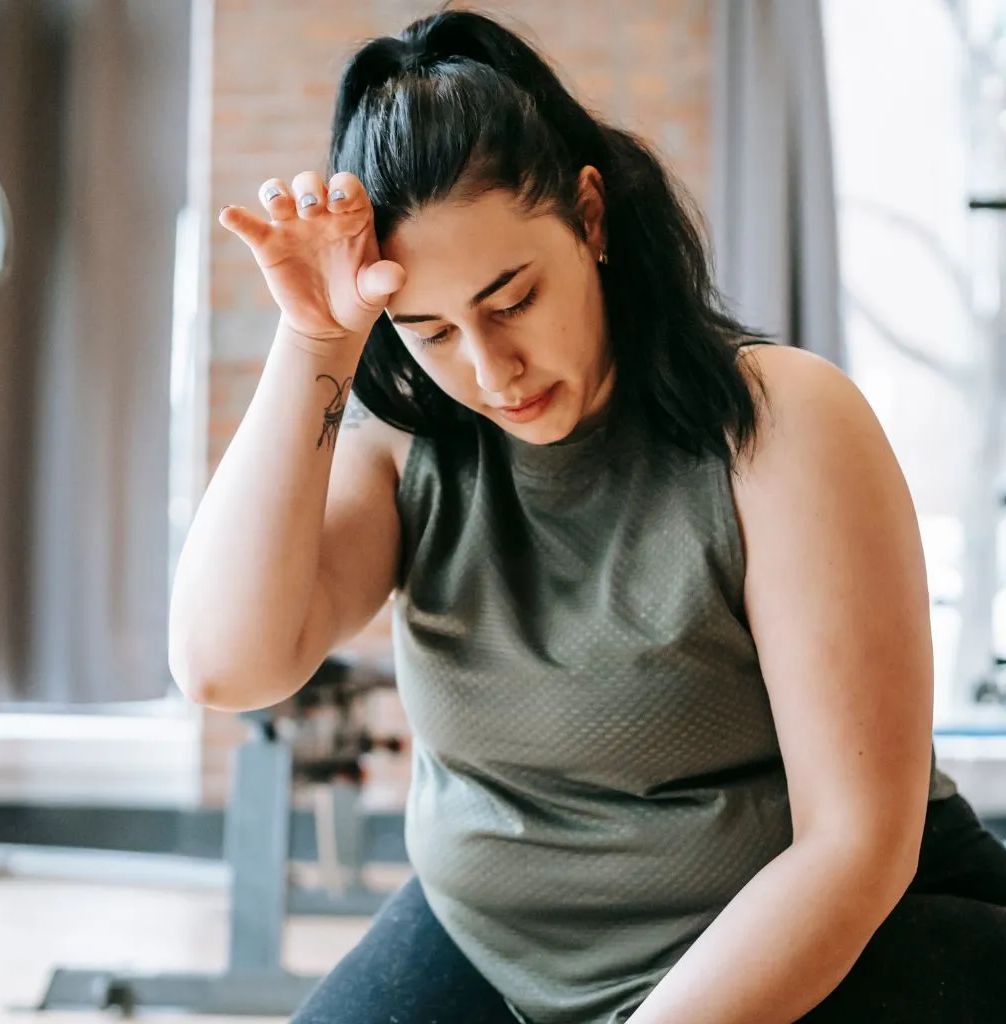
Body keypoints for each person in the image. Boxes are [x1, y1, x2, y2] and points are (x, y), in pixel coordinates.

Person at [168, 9, 1006, 1023]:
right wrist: (314, 340)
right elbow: (223, 664)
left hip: (839, 937)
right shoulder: (406, 447)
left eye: (512, 298)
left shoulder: (781, 423)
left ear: (591, 219)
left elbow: (853, 845)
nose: (489, 369)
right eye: (430, 330)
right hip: (498, 945)